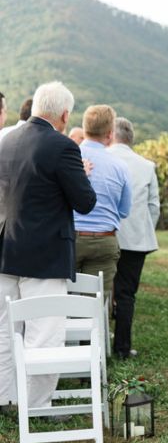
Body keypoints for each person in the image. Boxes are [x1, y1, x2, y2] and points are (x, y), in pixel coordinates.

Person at [0, 81, 96, 412]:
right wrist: (82, 174)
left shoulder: (6, 140)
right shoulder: (63, 147)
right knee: (44, 333)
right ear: (65, 114)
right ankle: (36, 406)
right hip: (44, 253)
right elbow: (84, 202)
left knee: (3, 330)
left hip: (5, 249)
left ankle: (6, 397)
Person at [108, 117, 160, 359]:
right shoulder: (146, 166)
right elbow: (154, 208)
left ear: (111, 134)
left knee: (98, 291)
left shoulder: (102, 158)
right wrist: (141, 229)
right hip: (135, 241)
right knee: (126, 294)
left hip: (104, 234)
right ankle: (122, 348)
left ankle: (95, 343)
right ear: (131, 139)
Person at [74, 105, 132, 296]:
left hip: (69, 239)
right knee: (96, 302)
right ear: (110, 134)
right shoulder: (120, 166)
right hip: (104, 240)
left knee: (62, 297)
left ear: (84, 129)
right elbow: (124, 211)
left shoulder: (68, 157)